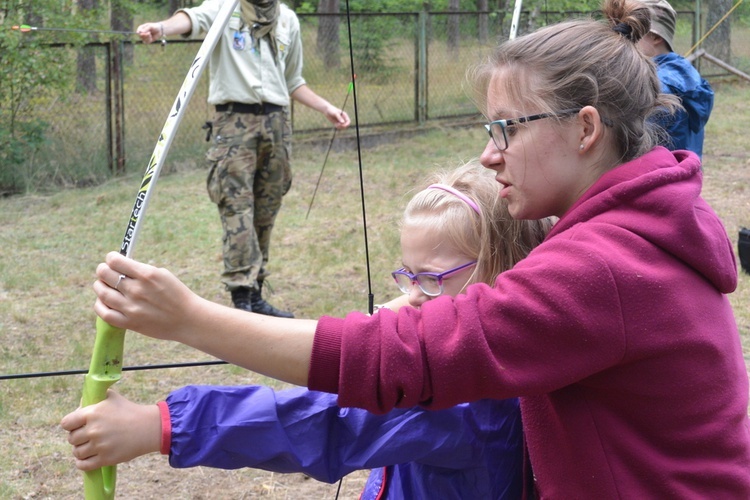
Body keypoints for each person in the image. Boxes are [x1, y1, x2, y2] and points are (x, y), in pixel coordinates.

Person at [76, 0, 750, 496]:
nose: (490, 154)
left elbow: (395, 369)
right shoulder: (627, 230)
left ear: (586, 130)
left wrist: (186, 323)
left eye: (508, 129)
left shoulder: (605, 268)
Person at [63, 162, 553, 499]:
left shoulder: (470, 403)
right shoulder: (501, 360)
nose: (410, 295)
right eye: (406, 274)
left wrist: (163, 426)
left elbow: (329, 424)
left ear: (501, 278)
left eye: (432, 279)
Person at [136, 0, 351, 318]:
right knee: (237, 209)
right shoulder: (225, 7)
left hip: (277, 125)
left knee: (266, 211)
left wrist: (326, 108)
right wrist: (161, 28)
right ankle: (241, 298)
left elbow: (293, 80)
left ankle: (257, 294)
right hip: (235, 124)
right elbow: (191, 19)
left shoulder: (287, 19)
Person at [637, 0, 713, 158]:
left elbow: (635, 142)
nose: (626, 39)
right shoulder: (685, 72)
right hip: (684, 176)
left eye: (635, 32)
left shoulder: (657, 84)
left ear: (655, 37)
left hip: (660, 177)